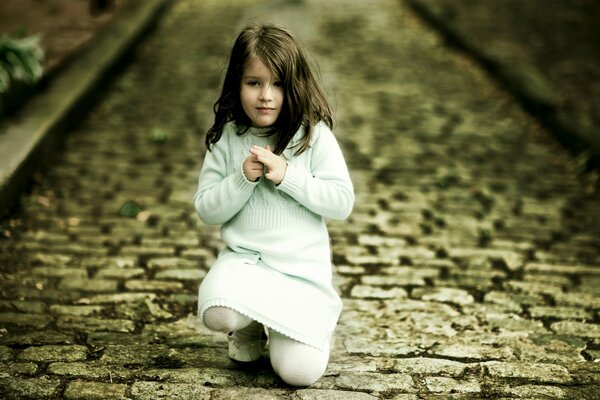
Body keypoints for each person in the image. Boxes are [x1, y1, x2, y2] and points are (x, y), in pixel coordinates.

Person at [193, 22, 354, 387]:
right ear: (238, 83)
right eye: (254, 83)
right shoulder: (228, 139)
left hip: (300, 276)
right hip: (247, 265)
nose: (266, 95)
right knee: (218, 312)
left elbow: (341, 203)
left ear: (293, 86)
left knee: (299, 374)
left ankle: (298, 328)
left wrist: (289, 176)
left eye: (278, 84)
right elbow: (207, 209)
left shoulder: (313, 136)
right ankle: (248, 327)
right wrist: (242, 178)